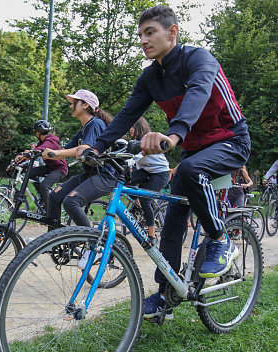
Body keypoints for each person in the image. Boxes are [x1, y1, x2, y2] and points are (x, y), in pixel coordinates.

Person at [76, 5, 251, 320]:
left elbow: (197, 94)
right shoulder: (150, 77)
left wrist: (175, 134)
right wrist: (97, 145)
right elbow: (128, 114)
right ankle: (166, 295)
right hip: (192, 149)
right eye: (140, 35)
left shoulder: (199, 59)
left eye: (150, 32)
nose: (143, 40)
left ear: (173, 32)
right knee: (171, 222)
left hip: (230, 141)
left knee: (190, 169)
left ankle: (220, 239)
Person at [42, 89, 114, 270]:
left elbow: (84, 149)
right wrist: (33, 153)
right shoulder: (83, 128)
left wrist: (55, 153)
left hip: (105, 176)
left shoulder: (95, 124)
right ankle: (53, 240)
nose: (70, 105)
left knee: (71, 201)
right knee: (55, 196)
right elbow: (64, 149)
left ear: (85, 105)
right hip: (90, 174)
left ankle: (94, 247)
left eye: (74, 102)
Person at [128, 117, 170, 245]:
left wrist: (129, 159)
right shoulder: (134, 142)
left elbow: (138, 156)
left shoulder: (147, 141)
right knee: (126, 180)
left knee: (146, 200)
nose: (130, 129)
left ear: (139, 128)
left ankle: (152, 235)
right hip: (147, 172)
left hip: (160, 173)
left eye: (133, 127)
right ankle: (138, 205)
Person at [15, 120, 68, 209]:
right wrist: (19, 162)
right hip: (50, 167)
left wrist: (29, 153)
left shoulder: (50, 141)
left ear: (38, 132)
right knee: (29, 172)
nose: (36, 134)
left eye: (36, 131)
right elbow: (33, 154)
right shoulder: (42, 142)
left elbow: (39, 150)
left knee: (44, 186)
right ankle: (43, 197)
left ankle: (49, 211)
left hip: (60, 169)